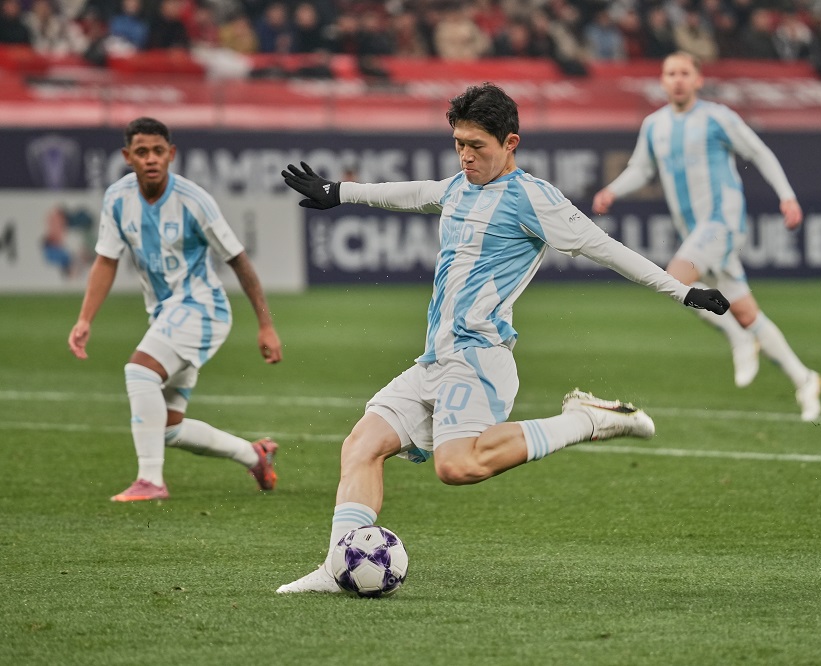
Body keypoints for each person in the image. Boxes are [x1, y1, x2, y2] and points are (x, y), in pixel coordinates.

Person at [275, 82, 730, 593]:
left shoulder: (534, 198)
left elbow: (606, 248)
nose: (465, 156)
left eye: (477, 146)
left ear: (510, 143)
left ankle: (587, 420)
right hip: (435, 359)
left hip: (479, 359)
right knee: (361, 445)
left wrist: (682, 291)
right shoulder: (459, 186)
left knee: (456, 467)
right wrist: (339, 192)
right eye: (459, 144)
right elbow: (416, 192)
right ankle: (337, 568)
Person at [592, 51, 821, 422]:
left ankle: (739, 339)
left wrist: (787, 196)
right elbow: (641, 169)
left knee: (676, 278)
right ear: (662, 80)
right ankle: (804, 378)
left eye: (685, 73)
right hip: (696, 231)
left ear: (698, 80)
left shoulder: (718, 117)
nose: (678, 79)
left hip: (723, 222)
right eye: (671, 73)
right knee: (745, 312)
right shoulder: (654, 125)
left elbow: (759, 152)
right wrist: (613, 190)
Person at [68, 117, 283, 502]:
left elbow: (238, 260)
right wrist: (85, 318)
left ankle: (150, 481)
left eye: (158, 151)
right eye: (142, 152)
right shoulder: (118, 199)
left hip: (202, 309)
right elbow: (106, 260)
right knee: (166, 427)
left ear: (171, 154)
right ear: (127, 157)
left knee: (139, 371)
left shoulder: (194, 200)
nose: (151, 159)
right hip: (166, 315)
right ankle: (255, 456)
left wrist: (265, 326)